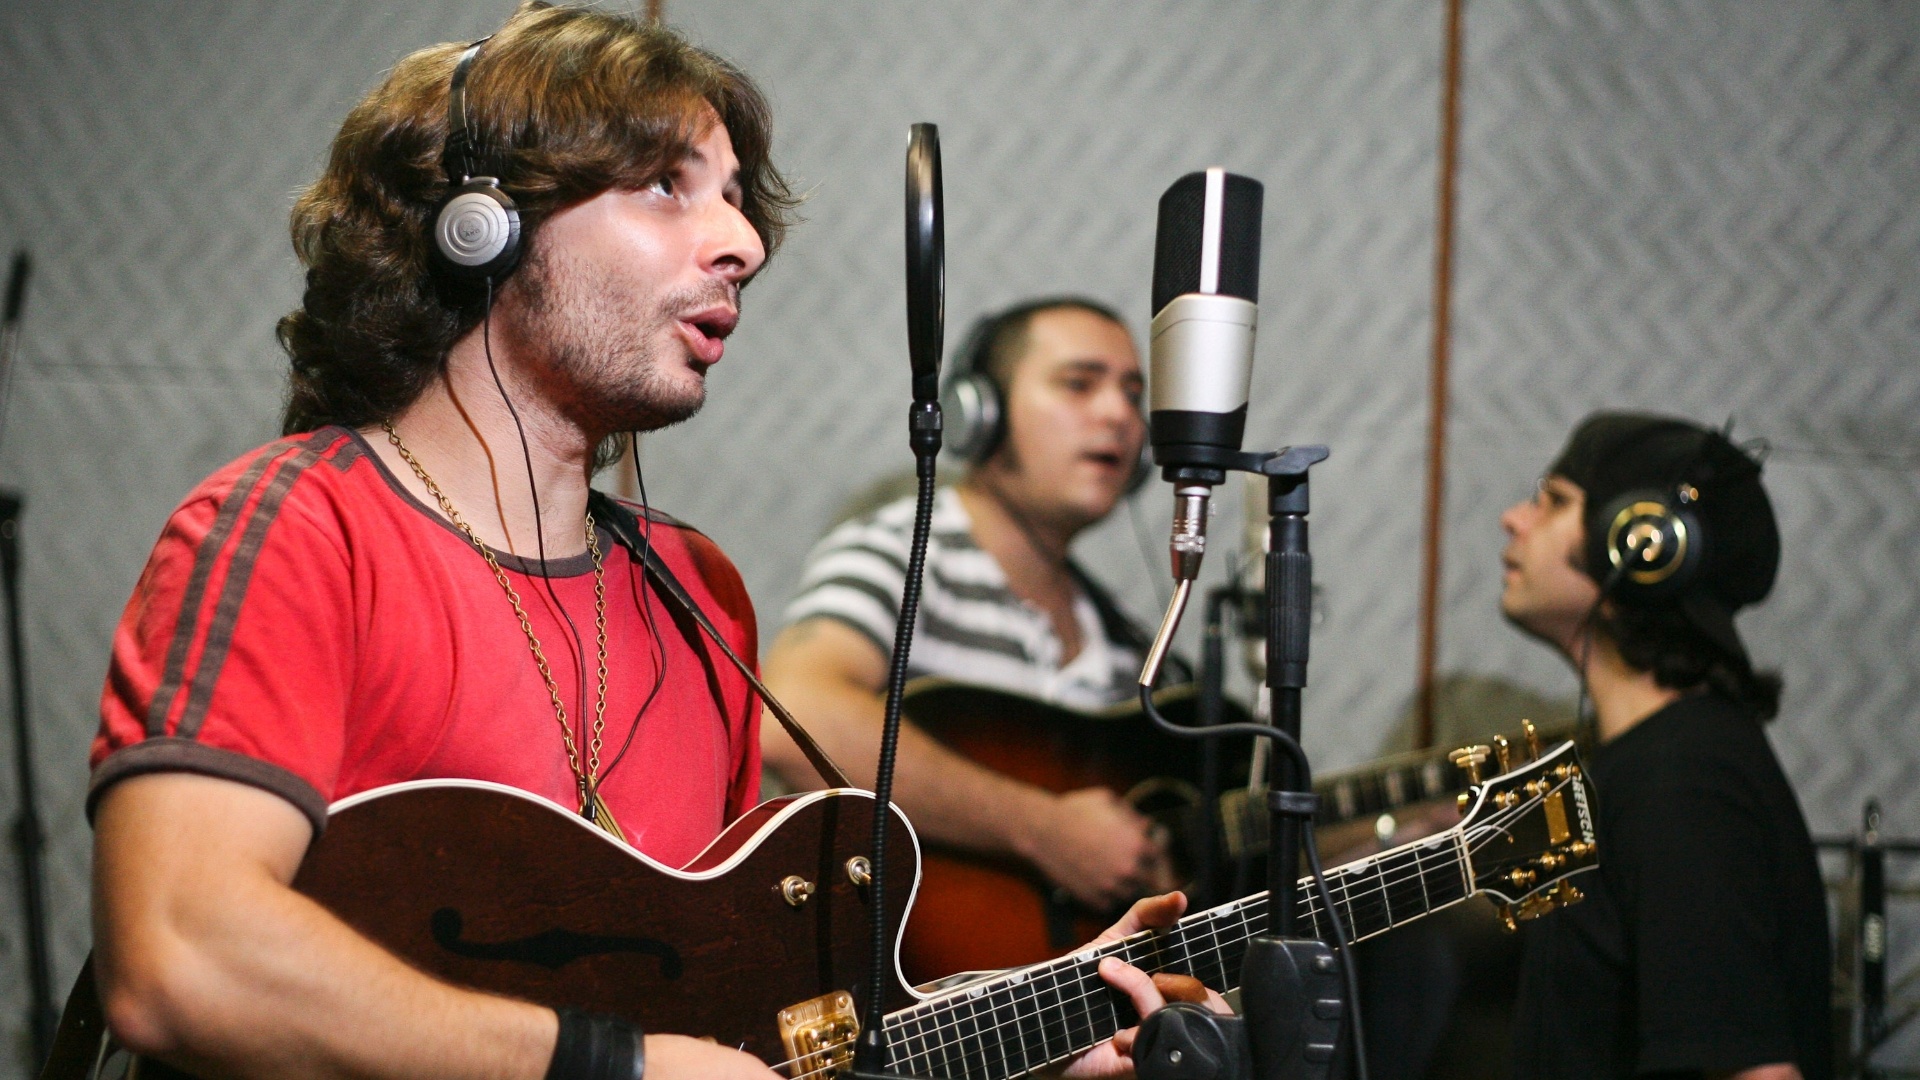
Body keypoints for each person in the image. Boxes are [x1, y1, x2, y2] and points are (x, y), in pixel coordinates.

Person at [81, 6, 1207, 1079]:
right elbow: (180, 960)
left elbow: (737, 1028)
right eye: (668, 187)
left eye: (735, 201)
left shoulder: (695, 591)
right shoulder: (296, 530)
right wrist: (604, 1065)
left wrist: (1028, 1034)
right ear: (483, 230)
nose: (744, 244)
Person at [762, 298, 1176, 917]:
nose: (1118, 414)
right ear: (980, 415)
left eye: (1132, 393)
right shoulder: (904, 551)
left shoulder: (1126, 645)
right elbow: (792, 718)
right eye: (1079, 384)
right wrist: (1044, 829)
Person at [1498, 412, 1830, 1080]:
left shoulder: (1681, 785)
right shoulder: (1652, 764)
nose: (1514, 518)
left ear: (1642, 547)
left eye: (1553, 500)